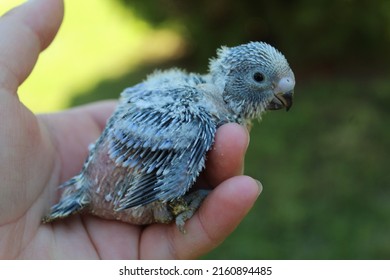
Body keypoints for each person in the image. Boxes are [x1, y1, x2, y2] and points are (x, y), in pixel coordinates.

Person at [0, 0, 261, 259]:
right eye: (259, 79)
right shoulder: (195, 121)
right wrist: (175, 204)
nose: (281, 92)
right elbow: (149, 190)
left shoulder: (191, 92)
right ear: (233, 76)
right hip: (113, 195)